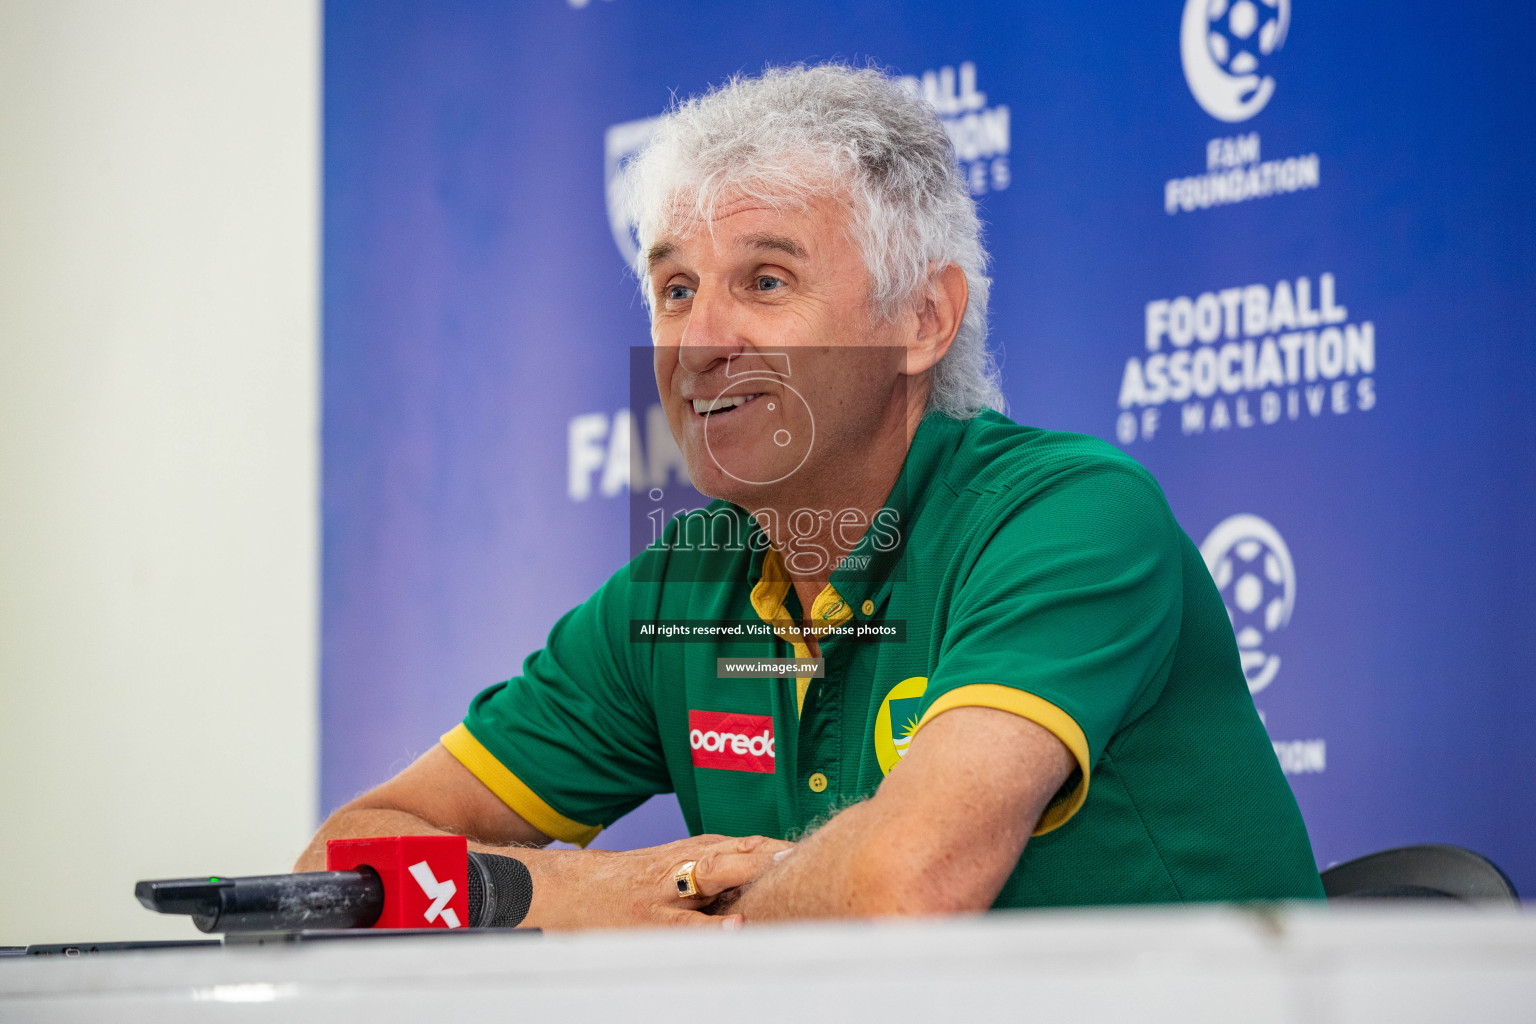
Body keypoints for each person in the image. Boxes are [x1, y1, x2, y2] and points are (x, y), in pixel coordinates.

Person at [296, 63, 1324, 927]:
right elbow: (339, 865)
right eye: (675, 290)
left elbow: (905, 884)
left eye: (767, 282)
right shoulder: (679, 589)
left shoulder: (1067, 517)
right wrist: (587, 888)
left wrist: (692, 904)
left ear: (921, 320)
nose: (698, 344)